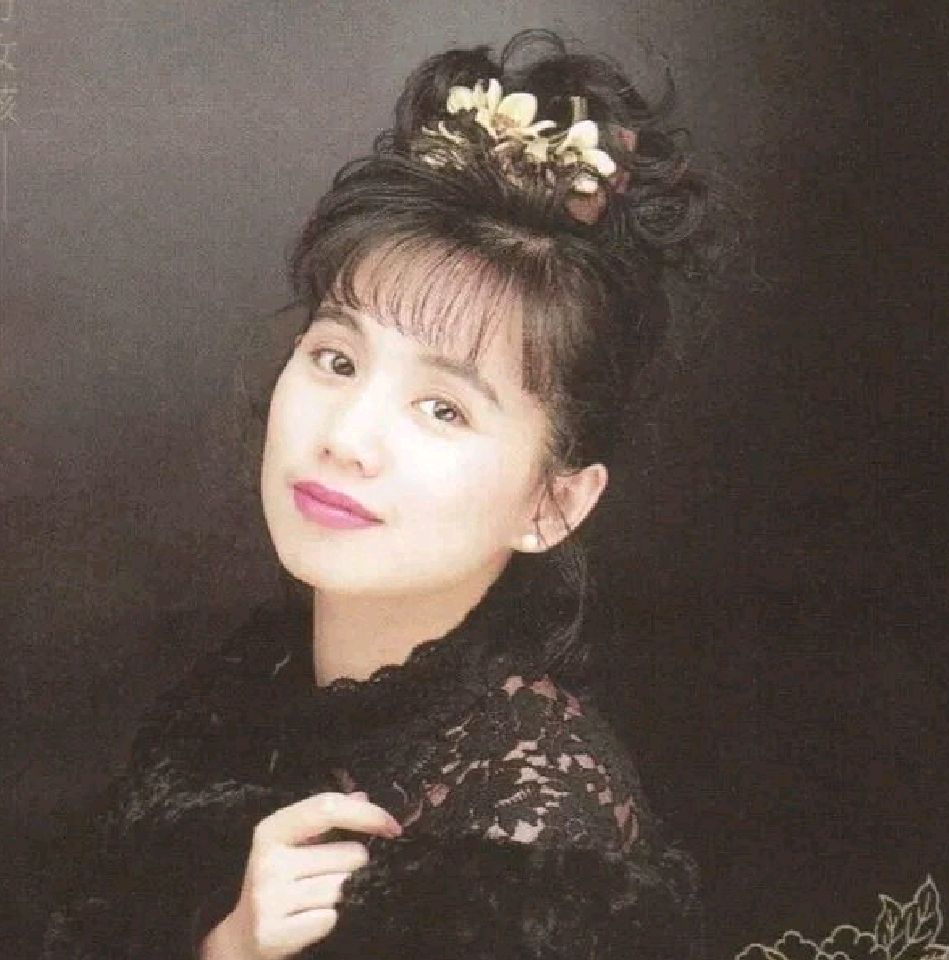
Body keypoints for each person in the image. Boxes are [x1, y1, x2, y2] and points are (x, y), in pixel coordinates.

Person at [41, 29, 707, 960]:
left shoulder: (537, 837)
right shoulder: (248, 686)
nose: (346, 438)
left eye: (443, 409)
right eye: (336, 358)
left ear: (552, 505)